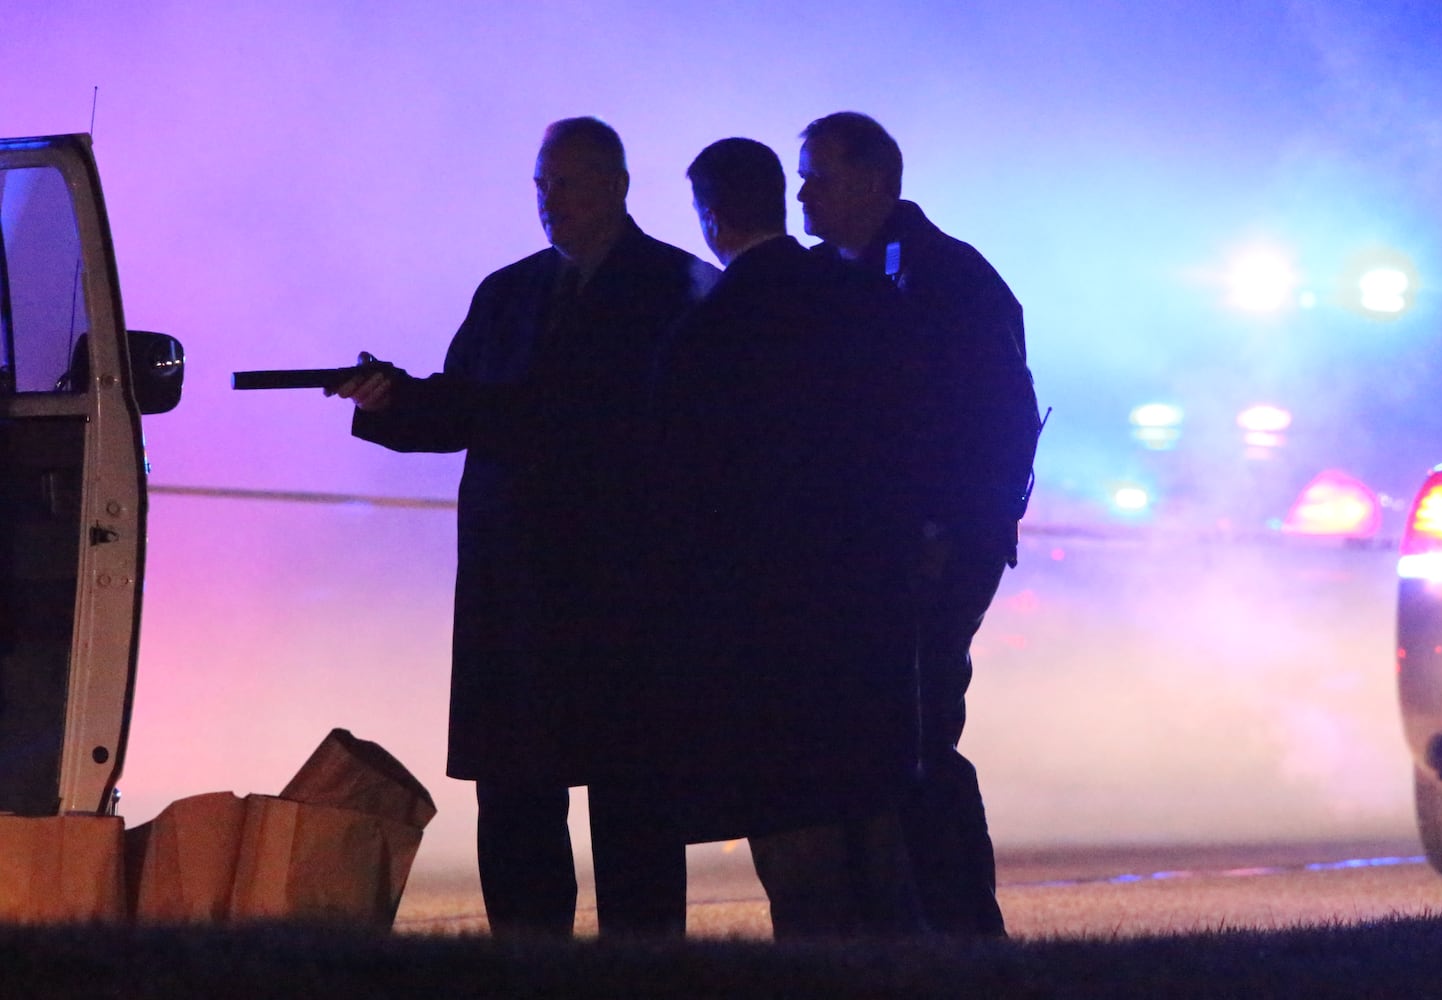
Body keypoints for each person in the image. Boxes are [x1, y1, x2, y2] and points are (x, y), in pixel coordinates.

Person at [330, 117, 717, 938]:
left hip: (626, 587)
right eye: (542, 185)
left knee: (634, 796)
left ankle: (646, 969)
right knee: (515, 792)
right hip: (515, 585)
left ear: (617, 185)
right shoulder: (508, 292)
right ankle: (527, 965)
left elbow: (650, 427)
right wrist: (390, 400)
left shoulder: (677, 289)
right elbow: (460, 407)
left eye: (567, 183)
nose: (550, 201)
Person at [624, 137, 926, 938]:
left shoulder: (707, 331)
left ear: (711, 216)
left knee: (791, 816)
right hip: (867, 593)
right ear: (778, 200)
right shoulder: (863, 297)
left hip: (763, 612)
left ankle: (816, 966)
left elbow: (681, 485)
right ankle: (910, 964)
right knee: (874, 811)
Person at [780, 111, 1041, 937]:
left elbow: (997, 422)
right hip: (871, 551)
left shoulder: (949, 281)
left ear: (873, 180)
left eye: (818, 175)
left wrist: (947, 534)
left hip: (929, 551)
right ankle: (913, 929)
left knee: (918, 735)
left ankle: (959, 931)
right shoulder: (832, 278)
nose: (802, 193)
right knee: (883, 736)